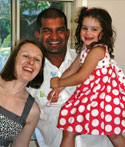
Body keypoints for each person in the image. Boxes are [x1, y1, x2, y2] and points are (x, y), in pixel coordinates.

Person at [48, 7, 125, 147]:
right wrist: (58, 89)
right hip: (90, 96)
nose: (88, 33)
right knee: (69, 128)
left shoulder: (98, 50)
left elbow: (81, 77)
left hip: (104, 98)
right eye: (84, 28)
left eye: (94, 29)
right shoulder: (85, 50)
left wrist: (58, 82)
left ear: (104, 32)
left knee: (113, 134)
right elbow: (71, 70)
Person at [0, 39, 45, 147]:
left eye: (37, 60)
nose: (31, 62)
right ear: (14, 59)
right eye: (25, 56)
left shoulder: (32, 111)